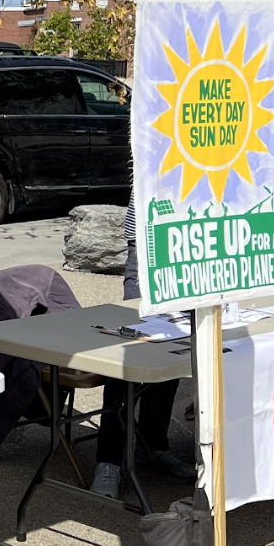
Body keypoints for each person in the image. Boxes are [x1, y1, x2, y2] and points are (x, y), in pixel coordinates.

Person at [90, 204, 195, 497]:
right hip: (148, 243)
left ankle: (154, 446)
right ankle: (109, 460)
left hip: (190, 245)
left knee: (171, 346)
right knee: (130, 354)